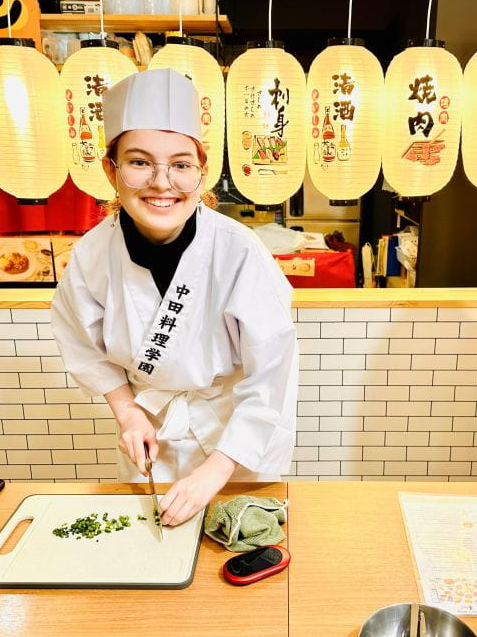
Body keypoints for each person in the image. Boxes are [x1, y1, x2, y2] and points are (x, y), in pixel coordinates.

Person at [51, 68, 298, 524]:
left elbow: (272, 375)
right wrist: (128, 414)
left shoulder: (239, 251)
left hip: (236, 439)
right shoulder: (91, 255)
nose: (161, 183)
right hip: (152, 434)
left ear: (202, 174)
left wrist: (216, 471)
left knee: (236, 549)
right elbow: (85, 350)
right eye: (140, 162)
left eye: (181, 165)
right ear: (111, 170)